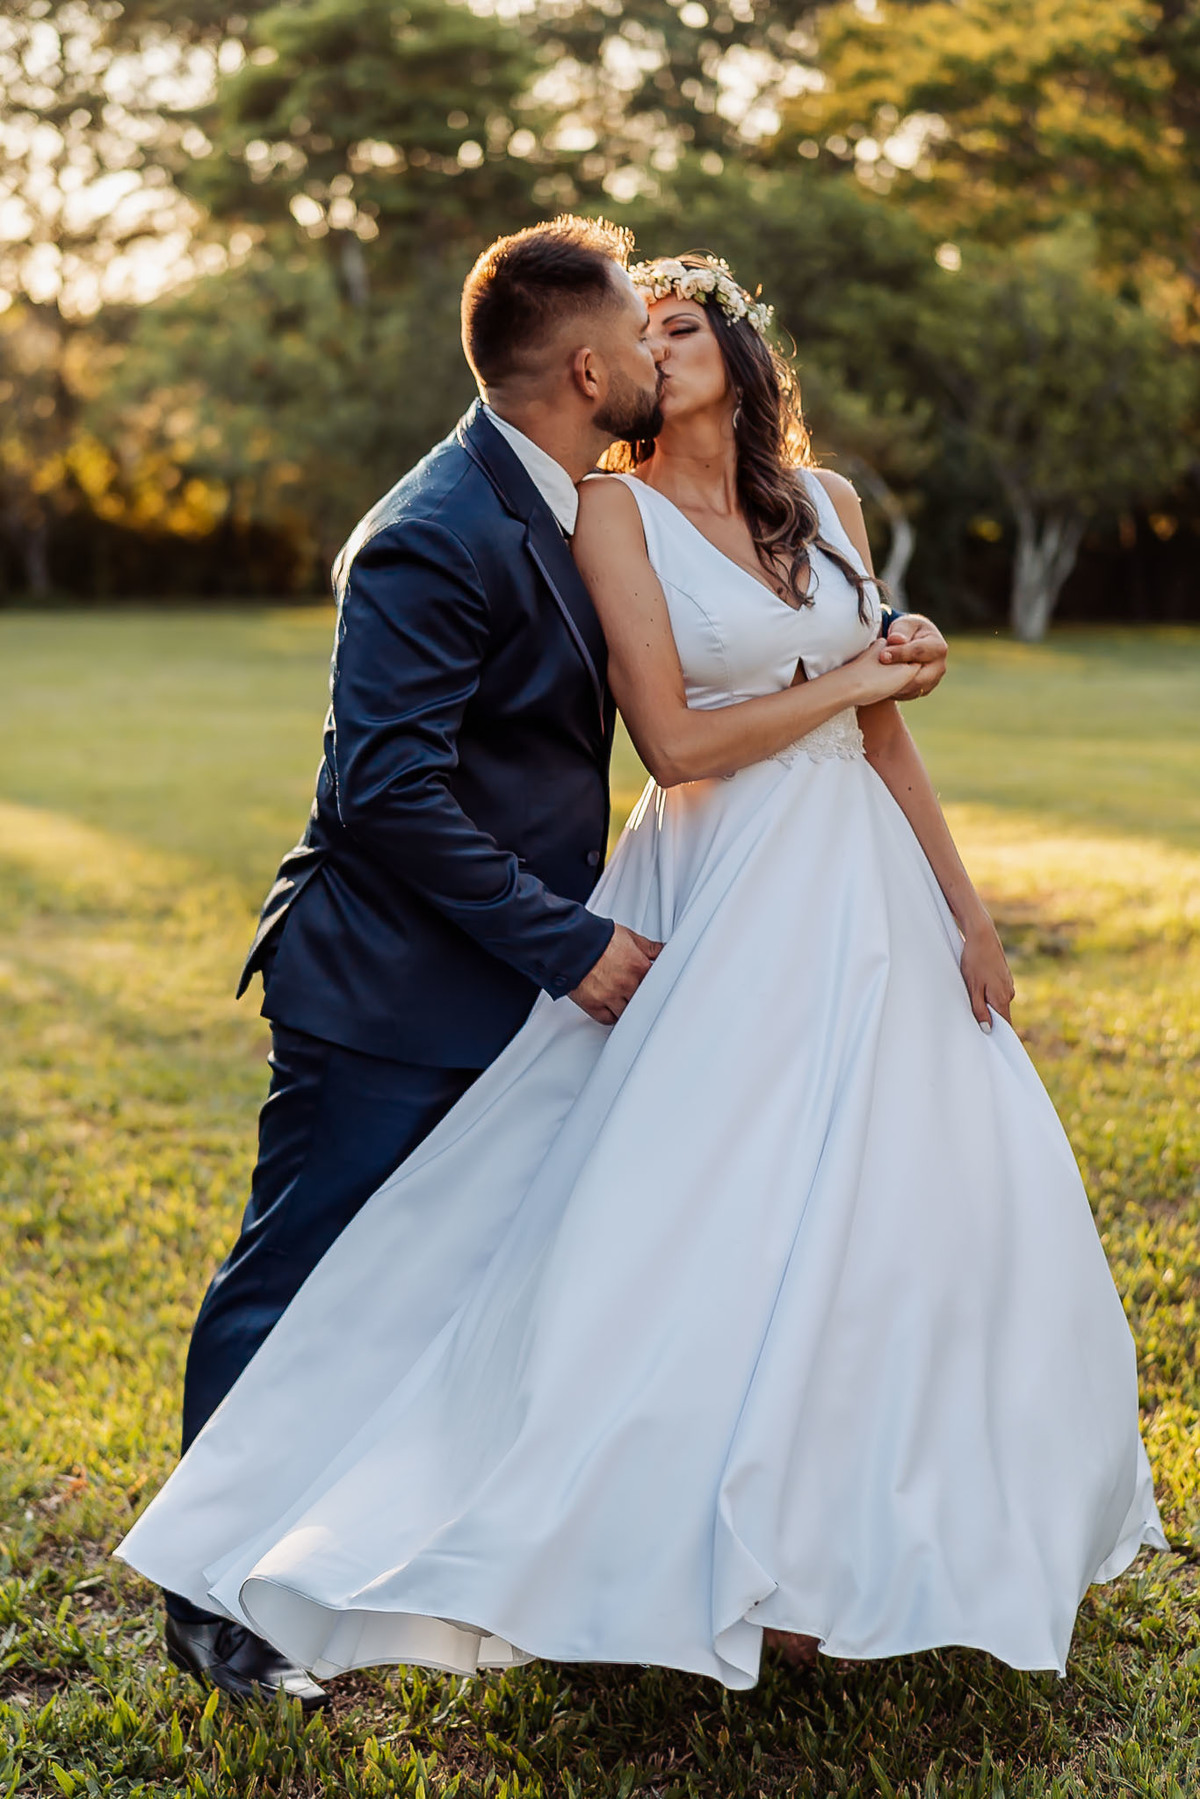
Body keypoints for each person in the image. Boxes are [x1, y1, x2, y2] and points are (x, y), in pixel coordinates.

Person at [154, 219, 950, 1707]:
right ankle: (211, 1597)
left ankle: (497, 1554)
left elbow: (723, 616)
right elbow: (386, 792)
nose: (666, 346)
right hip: (391, 982)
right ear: (590, 369)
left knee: (490, 1277)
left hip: (530, 965)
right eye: (644, 339)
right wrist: (570, 944)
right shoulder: (431, 529)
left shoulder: (581, 500)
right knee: (303, 1272)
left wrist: (855, 631)